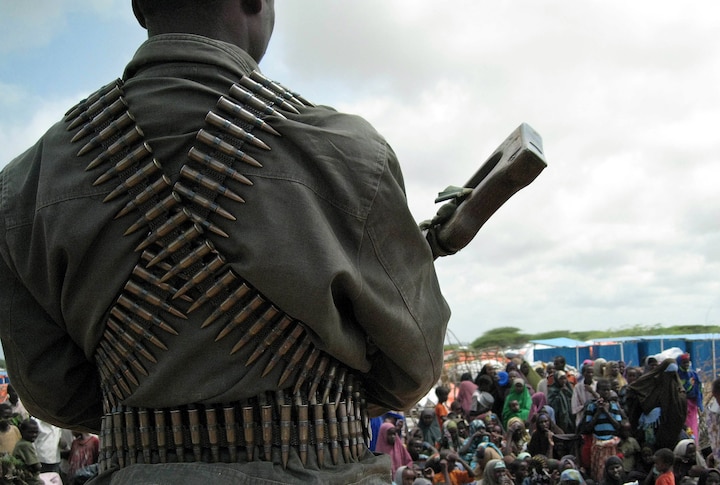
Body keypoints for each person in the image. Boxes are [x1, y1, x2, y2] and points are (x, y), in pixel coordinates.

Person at [0, 1, 451, 483]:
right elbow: (413, 367)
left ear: (138, 7)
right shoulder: (351, 154)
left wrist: (153, 413)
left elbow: (54, 394)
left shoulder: (25, 185)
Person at [581, 379, 623, 482]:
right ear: (598, 391)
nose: (606, 393)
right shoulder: (592, 406)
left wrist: (606, 412)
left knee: (613, 470)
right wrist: (598, 413)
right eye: (604, 390)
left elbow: (618, 426)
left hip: (611, 443)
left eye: (608, 390)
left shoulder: (614, 406)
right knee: (599, 472)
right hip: (598, 443)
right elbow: (587, 428)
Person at [676, 354, 702, 442]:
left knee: (693, 425)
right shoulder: (677, 376)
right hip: (682, 404)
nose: (686, 364)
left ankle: (694, 443)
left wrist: (699, 404)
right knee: (685, 426)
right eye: (684, 362)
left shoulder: (693, 374)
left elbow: (699, 388)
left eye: (687, 362)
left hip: (693, 405)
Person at [12, 419, 42, 485]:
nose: (34, 435)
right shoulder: (26, 445)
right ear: (22, 431)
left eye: (36, 432)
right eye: (30, 432)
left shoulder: (21, 442)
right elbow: (36, 466)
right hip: (27, 479)